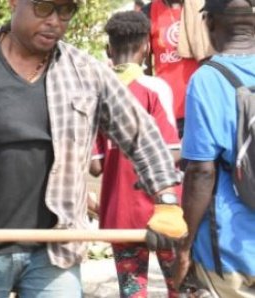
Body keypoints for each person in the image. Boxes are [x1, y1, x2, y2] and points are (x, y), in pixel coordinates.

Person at [0, 0, 187, 296]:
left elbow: (141, 136)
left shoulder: (86, 74)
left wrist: (167, 201)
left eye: (66, 11)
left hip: (52, 254)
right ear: (13, 3)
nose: (55, 21)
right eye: (44, 7)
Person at [90, 11, 181, 298]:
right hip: (162, 210)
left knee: (132, 290)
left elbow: (95, 166)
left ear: (108, 49)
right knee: (178, 285)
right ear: (147, 47)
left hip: (120, 213)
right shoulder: (154, 89)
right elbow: (172, 153)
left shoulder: (97, 93)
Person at [174, 0, 255, 296]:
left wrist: (185, 245)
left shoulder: (207, 79)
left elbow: (201, 172)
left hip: (227, 249)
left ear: (208, 23)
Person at [143, 0, 200, 138]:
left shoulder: (200, 6)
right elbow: (146, 67)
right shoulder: (148, 12)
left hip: (199, 106)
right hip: (167, 111)